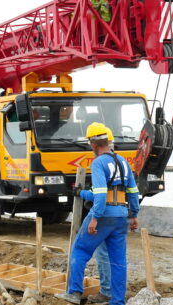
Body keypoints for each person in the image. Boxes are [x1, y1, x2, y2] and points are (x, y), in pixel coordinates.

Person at [55, 122, 140, 305]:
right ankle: (117, 301)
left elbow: (101, 196)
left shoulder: (98, 163)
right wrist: (134, 215)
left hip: (104, 214)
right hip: (121, 216)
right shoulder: (123, 162)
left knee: (80, 250)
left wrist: (95, 218)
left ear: (93, 145)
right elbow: (133, 191)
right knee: (118, 261)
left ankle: (74, 293)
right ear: (108, 141)